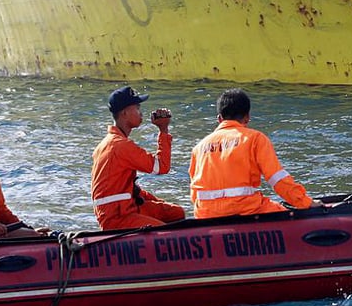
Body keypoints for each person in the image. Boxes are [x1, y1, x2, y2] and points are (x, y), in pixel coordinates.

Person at [189, 88, 316, 219]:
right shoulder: (255, 139)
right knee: (285, 213)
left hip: (206, 216)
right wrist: (306, 203)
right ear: (247, 117)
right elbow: (278, 180)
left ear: (219, 118)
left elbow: (194, 194)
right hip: (247, 210)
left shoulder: (198, 148)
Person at [90, 86, 187, 230]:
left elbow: (126, 188)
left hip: (126, 208)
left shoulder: (109, 143)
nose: (141, 113)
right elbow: (161, 167)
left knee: (176, 213)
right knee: (165, 233)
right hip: (117, 217)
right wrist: (163, 130)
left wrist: (157, 202)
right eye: (137, 108)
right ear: (124, 113)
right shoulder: (120, 145)